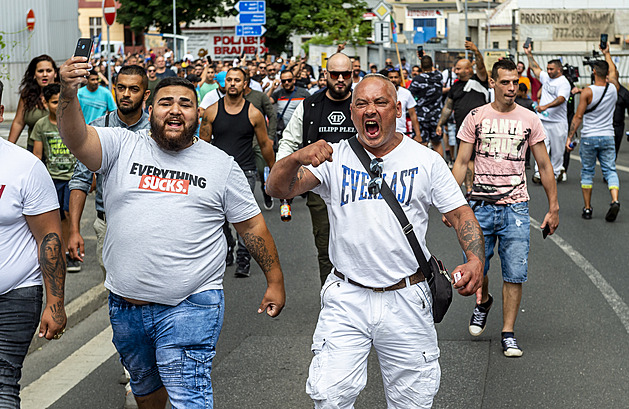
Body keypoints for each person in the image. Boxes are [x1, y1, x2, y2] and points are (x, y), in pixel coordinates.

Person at [58, 55, 285, 408]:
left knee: (187, 396)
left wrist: (274, 281)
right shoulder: (121, 145)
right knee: (146, 392)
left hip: (191, 303)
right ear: (150, 110)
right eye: (166, 103)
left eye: (185, 104)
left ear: (199, 114)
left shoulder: (219, 165)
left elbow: (252, 225)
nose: (175, 110)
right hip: (126, 306)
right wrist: (68, 94)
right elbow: (76, 139)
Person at [266, 73, 484, 408]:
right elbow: (278, 189)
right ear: (352, 112)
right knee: (330, 397)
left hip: (407, 297)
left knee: (412, 401)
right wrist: (295, 157)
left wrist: (475, 260)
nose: (371, 110)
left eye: (380, 102)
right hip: (347, 298)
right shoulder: (333, 158)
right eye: (362, 104)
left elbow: (460, 215)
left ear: (397, 109)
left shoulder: (425, 161)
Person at [450, 59, 559, 357]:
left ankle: (508, 333)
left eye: (516, 82)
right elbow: (461, 162)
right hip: (479, 207)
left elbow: (545, 165)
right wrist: (451, 204)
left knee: (514, 273)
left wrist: (554, 208)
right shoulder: (475, 117)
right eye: (506, 82)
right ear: (493, 84)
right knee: (478, 269)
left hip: (516, 209)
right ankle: (482, 301)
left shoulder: (529, 119)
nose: (512, 88)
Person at [0, 79, 67, 406]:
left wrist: (56, 303)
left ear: (0, 113)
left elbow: (50, 237)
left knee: (3, 382)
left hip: (16, 294)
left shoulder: (25, 167)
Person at [276, 52, 356, 286]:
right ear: (325, 75)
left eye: (346, 74)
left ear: (353, 75)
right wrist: (283, 177)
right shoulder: (309, 105)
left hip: (359, 187)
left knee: (360, 244)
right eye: (334, 74)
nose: (340, 79)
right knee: (325, 247)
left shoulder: (362, 103)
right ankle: (331, 300)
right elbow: (289, 142)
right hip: (319, 188)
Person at [68, 65, 151, 278]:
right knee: (113, 286)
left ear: (145, 94)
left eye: (133, 89)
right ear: (114, 88)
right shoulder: (97, 129)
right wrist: (74, 230)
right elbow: (80, 180)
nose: (126, 94)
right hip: (107, 222)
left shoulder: (155, 131)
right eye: (121, 88)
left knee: (147, 285)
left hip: (149, 221)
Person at [200, 67, 276, 277]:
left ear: (245, 85)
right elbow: (202, 145)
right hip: (217, 172)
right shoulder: (211, 111)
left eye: (237, 80)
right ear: (224, 84)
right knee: (220, 217)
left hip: (245, 172)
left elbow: (264, 144)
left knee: (243, 219)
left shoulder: (254, 113)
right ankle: (228, 245)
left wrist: (275, 170)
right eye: (229, 80)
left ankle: (244, 257)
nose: (232, 83)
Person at [566, 43, 620, 222]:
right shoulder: (613, 88)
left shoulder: (587, 92)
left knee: (587, 172)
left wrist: (570, 137)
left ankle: (588, 208)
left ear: (594, 72)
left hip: (589, 136)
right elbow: (613, 72)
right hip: (608, 135)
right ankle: (614, 200)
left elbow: (578, 116)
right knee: (610, 170)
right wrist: (607, 53)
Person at [30, 83, 80, 273]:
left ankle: (69, 252)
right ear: (45, 103)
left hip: (71, 177)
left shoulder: (70, 122)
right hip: (51, 179)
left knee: (68, 213)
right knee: (54, 216)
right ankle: (55, 252)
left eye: (61, 102)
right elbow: (37, 155)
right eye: (53, 102)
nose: (58, 106)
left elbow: (81, 148)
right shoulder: (41, 125)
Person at [437, 40, 489, 194]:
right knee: (466, 160)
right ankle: (469, 190)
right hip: (462, 129)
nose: (456, 71)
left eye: (459, 69)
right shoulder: (455, 86)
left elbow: (480, 66)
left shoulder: (479, 80)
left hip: (481, 128)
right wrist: (440, 123)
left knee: (478, 159)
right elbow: (448, 107)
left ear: (468, 69)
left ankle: (476, 188)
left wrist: (476, 51)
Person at [524, 45, 571, 183]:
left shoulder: (564, 83)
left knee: (557, 151)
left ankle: (556, 172)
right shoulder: (546, 78)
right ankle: (539, 173)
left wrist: (545, 106)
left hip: (558, 123)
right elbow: (536, 69)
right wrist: (529, 53)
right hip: (543, 121)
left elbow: (561, 99)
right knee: (542, 147)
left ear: (559, 69)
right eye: (548, 69)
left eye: (551, 69)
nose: (548, 71)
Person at [8, 55, 59, 151]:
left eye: (48, 71)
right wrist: (8, 148)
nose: (45, 74)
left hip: (59, 150)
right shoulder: (27, 94)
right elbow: (18, 122)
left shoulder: (64, 93)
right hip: (34, 149)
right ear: (34, 75)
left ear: (55, 73)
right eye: (40, 71)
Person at [409, 55, 444, 156]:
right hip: (436, 116)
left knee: (422, 144)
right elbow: (434, 70)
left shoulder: (417, 79)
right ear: (432, 64)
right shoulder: (439, 76)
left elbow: (410, 94)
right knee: (437, 143)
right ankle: (440, 168)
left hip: (421, 116)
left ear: (421, 66)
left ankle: (422, 170)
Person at [386, 69, 420, 140]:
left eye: (396, 77)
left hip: (402, 132)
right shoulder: (381, 92)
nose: (393, 80)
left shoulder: (406, 93)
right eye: (391, 77)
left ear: (400, 78)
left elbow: (413, 114)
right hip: (385, 132)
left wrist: (418, 134)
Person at [613, 84, 629, 157]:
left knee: (612, 155)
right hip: (604, 127)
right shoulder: (603, 90)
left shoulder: (623, 93)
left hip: (617, 126)